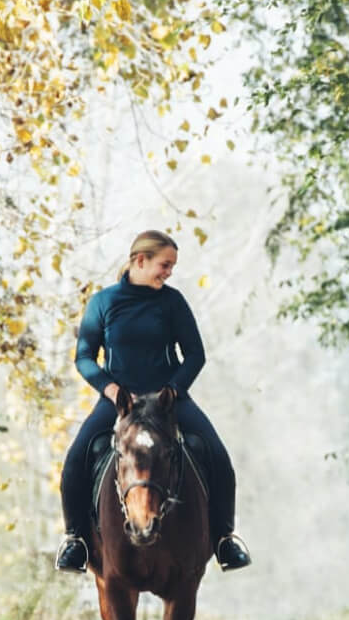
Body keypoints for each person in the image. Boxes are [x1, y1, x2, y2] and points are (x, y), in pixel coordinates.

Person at [55, 229, 251, 573]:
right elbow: (84, 356)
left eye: (172, 266)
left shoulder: (172, 302)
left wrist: (173, 390)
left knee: (219, 458)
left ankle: (224, 540)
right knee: (75, 460)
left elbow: (194, 354)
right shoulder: (103, 303)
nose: (169, 272)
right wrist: (111, 389)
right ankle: (76, 541)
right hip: (120, 402)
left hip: (167, 401)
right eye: (165, 264)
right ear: (139, 260)